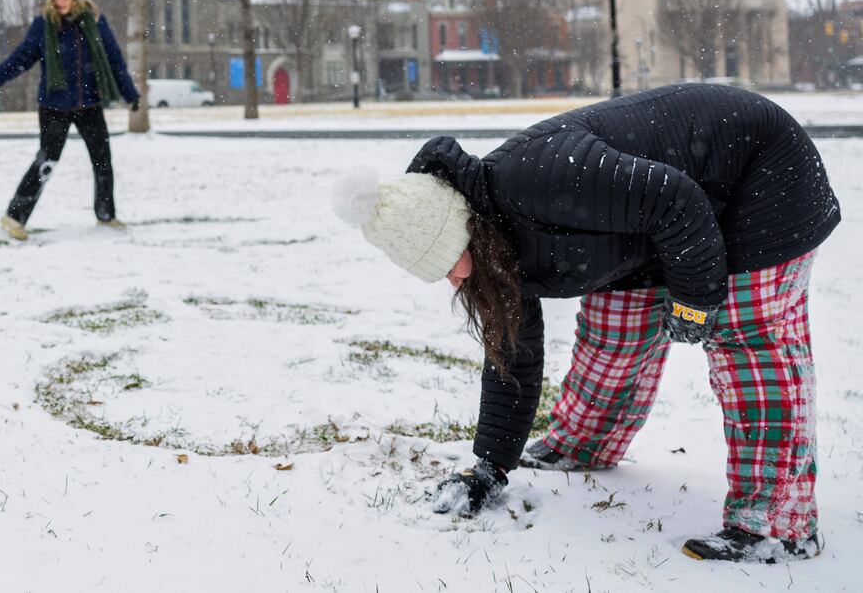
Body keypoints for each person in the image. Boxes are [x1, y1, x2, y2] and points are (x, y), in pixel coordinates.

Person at [348, 84, 839, 563]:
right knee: (615, 324)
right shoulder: (493, 243)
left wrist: (694, 303)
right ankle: (585, 444)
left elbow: (677, 201)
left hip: (761, 171)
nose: (454, 278)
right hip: (661, 222)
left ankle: (777, 526)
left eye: (450, 258)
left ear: (463, 228)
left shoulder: (539, 178)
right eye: (438, 271)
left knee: (745, 339)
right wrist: (490, 466)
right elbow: (513, 353)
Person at [0, 0, 141, 239]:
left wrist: (130, 94)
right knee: (46, 161)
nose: (61, 1)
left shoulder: (94, 22)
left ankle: (106, 214)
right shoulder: (44, 25)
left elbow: (114, 61)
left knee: (102, 160)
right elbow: (21, 57)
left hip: (89, 104)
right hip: (54, 106)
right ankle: (14, 218)